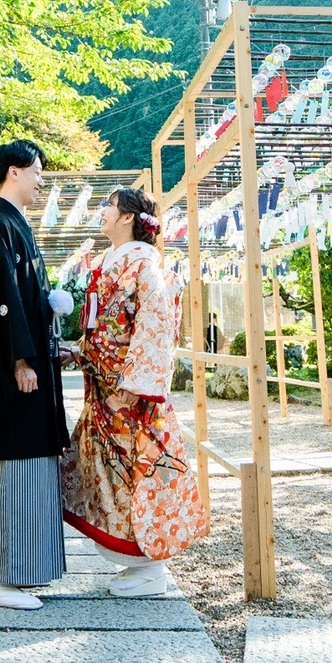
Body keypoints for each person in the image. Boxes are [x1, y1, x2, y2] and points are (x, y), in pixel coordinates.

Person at [59, 188, 211, 596]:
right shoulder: (114, 262)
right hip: (104, 387)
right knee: (106, 471)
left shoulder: (145, 264)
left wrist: (134, 385)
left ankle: (149, 564)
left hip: (128, 395)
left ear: (128, 218)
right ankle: (135, 560)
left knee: (136, 470)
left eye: (109, 206)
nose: (103, 212)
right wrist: (80, 352)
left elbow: (156, 324)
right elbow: (105, 325)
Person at [0, 139, 72, 608]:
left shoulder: (15, 225)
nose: (41, 180)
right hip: (13, 373)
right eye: (35, 171)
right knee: (8, 461)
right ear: (13, 172)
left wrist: (50, 346)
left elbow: (26, 297)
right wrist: (22, 360)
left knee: (28, 461)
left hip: (30, 367)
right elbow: (3, 301)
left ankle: (21, 568)